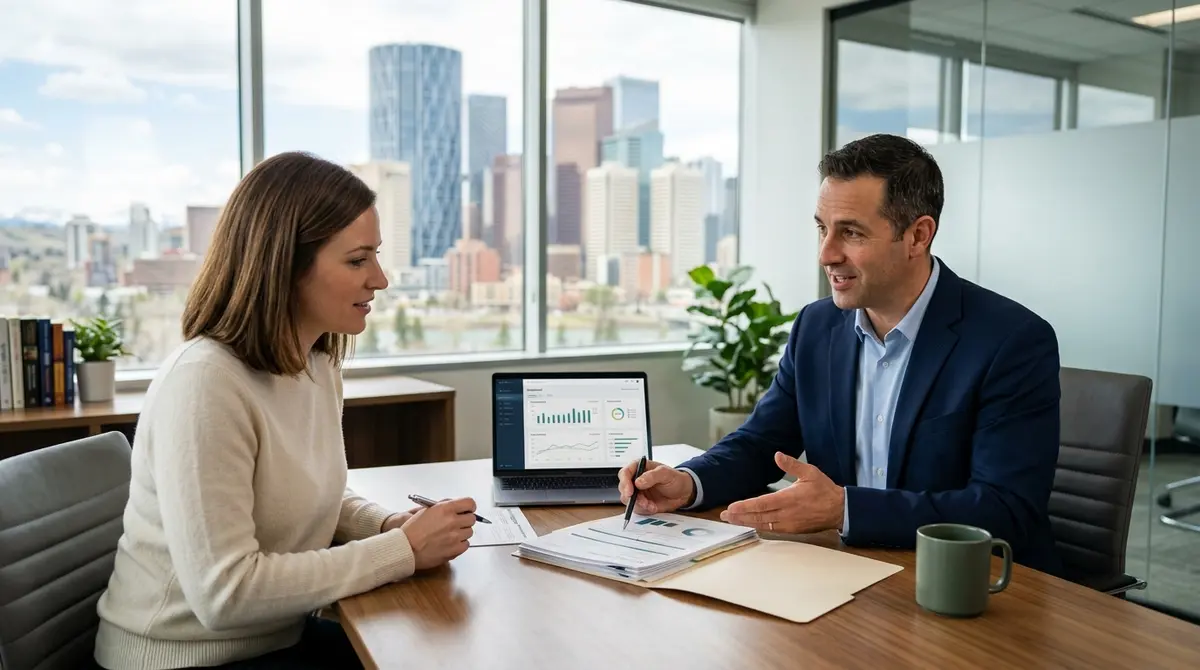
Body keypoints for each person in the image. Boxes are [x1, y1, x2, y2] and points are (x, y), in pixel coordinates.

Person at [93, 151, 478, 670]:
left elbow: (312, 495)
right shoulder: (205, 383)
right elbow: (224, 594)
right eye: (358, 260)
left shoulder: (316, 362)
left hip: (275, 640)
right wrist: (402, 551)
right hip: (182, 659)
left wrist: (387, 526)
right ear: (287, 266)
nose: (380, 280)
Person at [619, 133, 1062, 575]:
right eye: (822, 228)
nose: (826, 254)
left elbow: (1006, 508)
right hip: (846, 571)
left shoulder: (1011, 341)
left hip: (968, 584)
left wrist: (845, 509)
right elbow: (760, 444)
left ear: (918, 236)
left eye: (851, 232)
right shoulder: (817, 327)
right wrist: (688, 482)